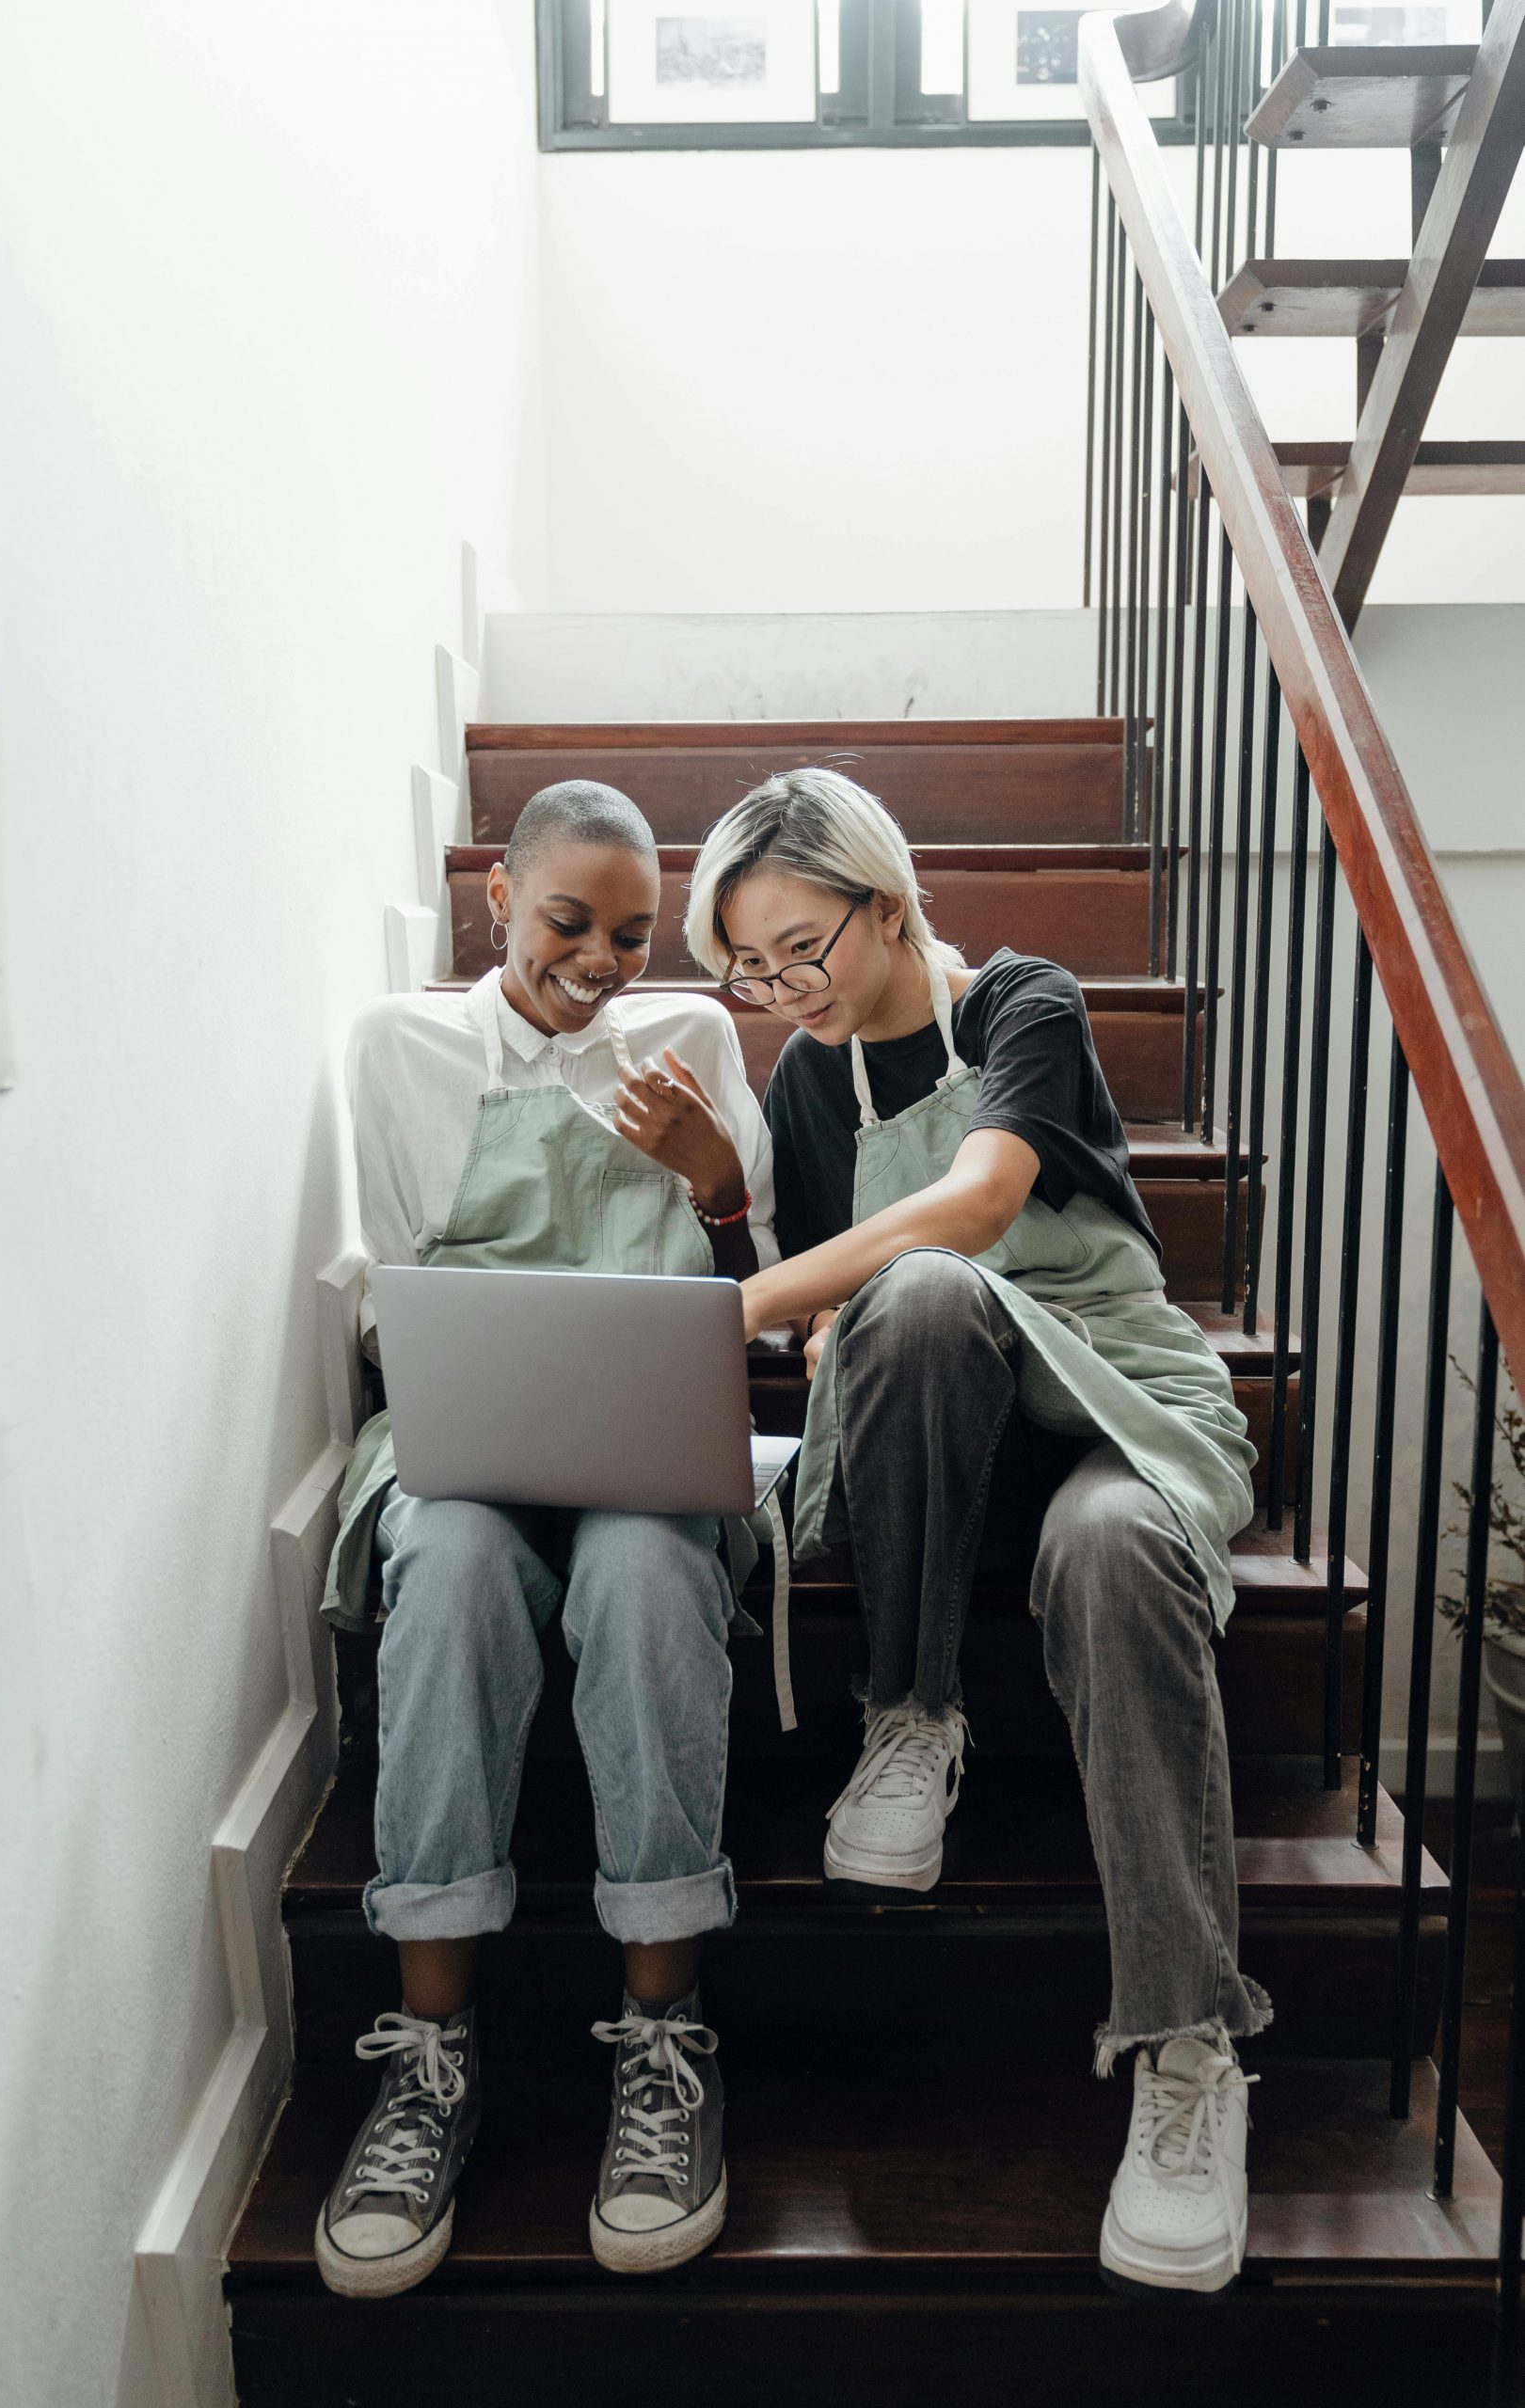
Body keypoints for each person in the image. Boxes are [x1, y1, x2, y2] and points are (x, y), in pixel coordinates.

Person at [684, 767, 1268, 2299]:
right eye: (744, 967)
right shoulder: (809, 1086)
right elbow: (855, 1299)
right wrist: (828, 1330)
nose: (775, 993)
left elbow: (979, 1199)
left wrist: (760, 1304)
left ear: (887, 904)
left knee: (1112, 1548)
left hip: (1114, 1400)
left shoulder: (1026, 1002)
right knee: (920, 1311)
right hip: (955, 1440)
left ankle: (1187, 2047)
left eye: (799, 949)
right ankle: (913, 1717)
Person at [314, 780, 776, 2297]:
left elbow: (753, 1289)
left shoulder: (693, 1041)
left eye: (635, 935)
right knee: (443, 1570)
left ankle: (661, 2036)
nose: (602, 960)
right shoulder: (399, 1046)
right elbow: (389, 1295)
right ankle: (429, 2054)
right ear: (497, 898)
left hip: (646, 1453)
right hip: (469, 1445)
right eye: (571, 921)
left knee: (647, 1568)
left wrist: (715, 1190)